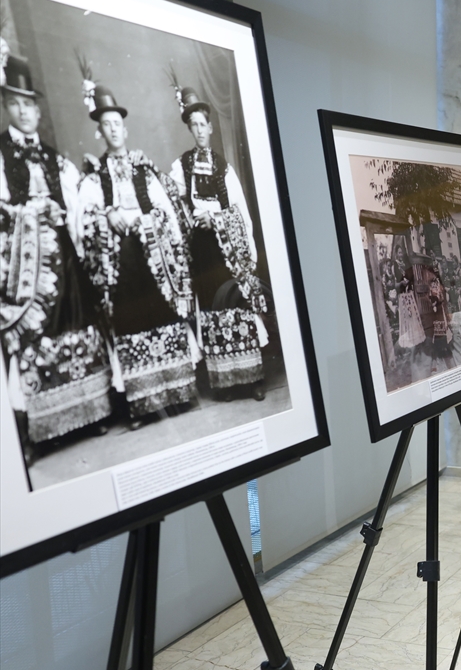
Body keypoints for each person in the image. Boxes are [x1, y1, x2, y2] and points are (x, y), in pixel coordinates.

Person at [0, 54, 111, 457]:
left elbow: (78, 197)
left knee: (76, 317)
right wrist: (29, 213)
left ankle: (90, 410)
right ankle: (38, 426)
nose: (25, 112)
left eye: (30, 104)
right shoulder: (0, 154)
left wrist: (92, 177)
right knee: (34, 330)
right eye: (15, 104)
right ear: (5, 106)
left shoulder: (51, 155)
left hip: (63, 255)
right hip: (27, 266)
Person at [77, 84, 196, 426]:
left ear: (125, 129)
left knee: (162, 313)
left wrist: (146, 220)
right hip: (123, 264)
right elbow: (85, 220)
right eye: (107, 125)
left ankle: (179, 393)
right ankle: (143, 405)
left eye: (118, 123)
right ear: (100, 132)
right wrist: (106, 217)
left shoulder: (144, 169)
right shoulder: (95, 179)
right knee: (130, 321)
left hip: (152, 258)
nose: (114, 130)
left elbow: (167, 211)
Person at [168, 86, 267, 401]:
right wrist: (192, 217)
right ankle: (224, 382)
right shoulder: (182, 166)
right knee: (212, 307)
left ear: (211, 127)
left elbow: (239, 209)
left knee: (235, 303)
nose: (199, 130)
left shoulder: (223, 167)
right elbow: (171, 200)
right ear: (190, 129)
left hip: (226, 248)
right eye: (193, 125)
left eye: (203, 124)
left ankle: (250, 379)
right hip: (202, 250)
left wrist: (219, 220)